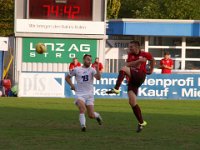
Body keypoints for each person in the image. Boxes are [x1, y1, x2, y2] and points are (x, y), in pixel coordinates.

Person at [106, 41, 156, 132]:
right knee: (132, 102)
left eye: (131, 47)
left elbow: (152, 60)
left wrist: (151, 70)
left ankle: (116, 89)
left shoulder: (145, 54)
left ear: (137, 46)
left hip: (141, 75)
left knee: (123, 69)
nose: (130, 48)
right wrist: (138, 61)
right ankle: (141, 122)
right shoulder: (130, 55)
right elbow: (128, 65)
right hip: (133, 80)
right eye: (129, 47)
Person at [65, 54, 103, 132]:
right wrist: (72, 85)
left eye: (90, 60)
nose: (89, 61)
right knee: (82, 109)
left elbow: (98, 78)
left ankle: (97, 115)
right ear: (83, 60)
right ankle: (83, 126)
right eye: (88, 59)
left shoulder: (92, 70)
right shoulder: (76, 69)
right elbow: (67, 77)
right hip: (80, 94)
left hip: (89, 95)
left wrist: (97, 69)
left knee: (91, 115)